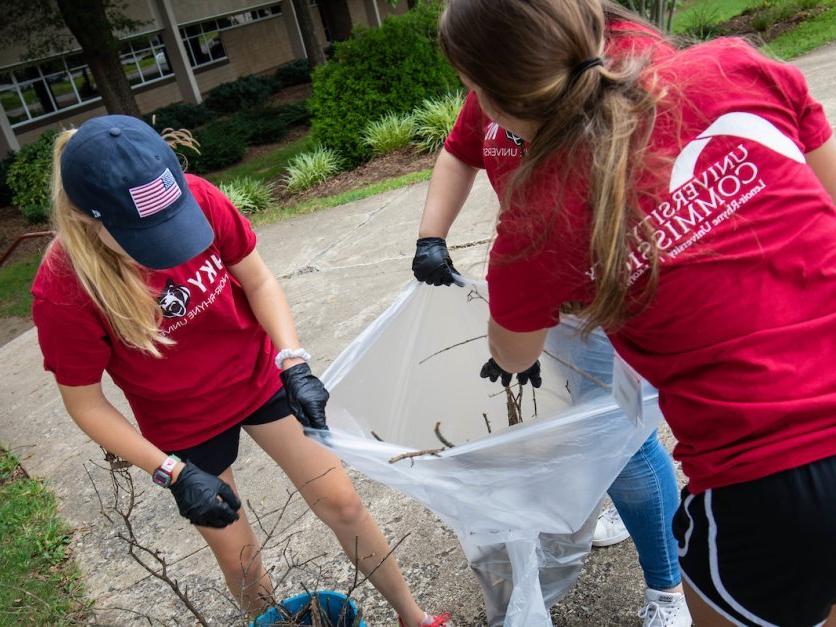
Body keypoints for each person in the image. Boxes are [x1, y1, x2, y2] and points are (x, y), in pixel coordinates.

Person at [418, 1, 836, 626]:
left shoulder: (537, 216)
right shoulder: (737, 66)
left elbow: (514, 355)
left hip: (766, 479)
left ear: (492, 102)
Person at [31, 115, 450, 627]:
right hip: (184, 424)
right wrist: (171, 472)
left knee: (342, 503)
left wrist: (293, 362)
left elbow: (259, 280)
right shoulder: (63, 288)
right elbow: (85, 403)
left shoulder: (199, 198)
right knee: (240, 560)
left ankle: (413, 617)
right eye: (146, 236)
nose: (169, 246)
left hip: (259, 380)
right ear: (86, 219)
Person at [413, 7, 688, 627]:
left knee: (627, 441)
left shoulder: (604, 83)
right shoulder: (503, 83)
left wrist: (515, 327)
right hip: (548, 294)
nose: (475, 99)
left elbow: (512, 353)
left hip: (608, 297)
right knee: (594, 432)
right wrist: (431, 235)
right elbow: (459, 152)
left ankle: (669, 587)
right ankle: (616, 506)